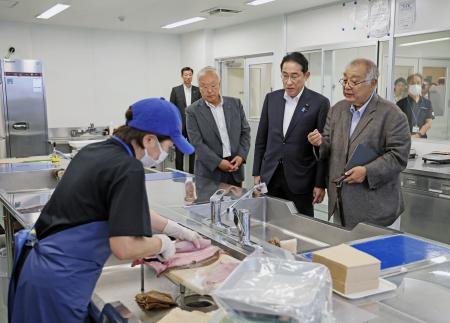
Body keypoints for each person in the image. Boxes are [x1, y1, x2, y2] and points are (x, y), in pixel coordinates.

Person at [8, 98, 202, 323]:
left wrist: (177, 230)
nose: (166, 153)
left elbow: (127, 208)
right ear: (149, 139)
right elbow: (123, 247)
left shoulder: (96, 152)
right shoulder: (128, 168)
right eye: (169, 147)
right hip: (61, 281)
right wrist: (162, 243)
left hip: (37, 270)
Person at [307, 58, 411, 228]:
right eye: (345, 80)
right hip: (340, 204)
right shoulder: (337, 110)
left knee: (373, 254)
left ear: (373, 83)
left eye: (354, 82)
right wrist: (319, 143)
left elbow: (398, 156)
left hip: (375, 208)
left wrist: (367, 171)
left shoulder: (392, 115)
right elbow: (328, 146)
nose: (347, 86)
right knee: (341, 253)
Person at [252, 52, 330, 216]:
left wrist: (320, 183)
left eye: (294, 76)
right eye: (285, 76)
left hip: (301, 179)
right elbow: (261, 139)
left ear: (306, 75)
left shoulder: (319, 103)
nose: (289, 82)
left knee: (301, 226)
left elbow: (323, 149)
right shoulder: (271, 99)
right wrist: (257, 172)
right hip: (270, 175)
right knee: (269, 221)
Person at [186, 66, 251, 187]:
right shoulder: (192, 111)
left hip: (234, 170)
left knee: (234, 205)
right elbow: (197, 143)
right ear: (199, 87)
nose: (209, 90)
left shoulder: (235, 104)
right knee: (208, 206)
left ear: (219, 84)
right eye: (204, 87)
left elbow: (245, 132)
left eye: (213, 86)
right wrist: (218, 162)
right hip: (209, 173)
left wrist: (241, 156)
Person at [170, 67, 201, 173]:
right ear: (182, 76)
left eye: (190, 75)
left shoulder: (198, 90)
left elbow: (200, 108)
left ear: (192, 76)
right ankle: (179, 174)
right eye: (185, 75)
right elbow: (172, 109)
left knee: (192, 151)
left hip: (193, 126)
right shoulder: (175, 90)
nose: (188, 77)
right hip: (180, 126)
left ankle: (192, 173)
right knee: (179, 151)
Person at [397, 73, 434, 138]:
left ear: (421, 85)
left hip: (422, 138)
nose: (415, 85)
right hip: (404, 138)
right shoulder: (400, 103)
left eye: (418, 83)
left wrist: (418, 135)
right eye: (412, 83)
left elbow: (429, 123)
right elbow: (396, 123)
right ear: (408, 85)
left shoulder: (427, 103)